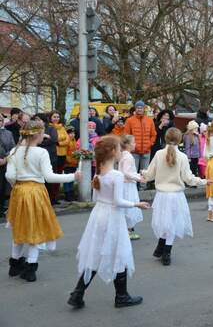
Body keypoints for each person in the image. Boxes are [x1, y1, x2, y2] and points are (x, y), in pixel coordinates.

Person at [67, 136, 149, 309]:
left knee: (96, 253)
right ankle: (121, 296)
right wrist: (136, 204)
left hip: (98, 215)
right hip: (113, 216)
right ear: (113, 152)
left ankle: (78, 292)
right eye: (119, 149)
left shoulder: (99, 174)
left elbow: (97, 197)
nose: (121, 151)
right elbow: (118, 201)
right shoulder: (116, 175)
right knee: (120, 252)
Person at [6, 121, 80, 282]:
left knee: (19, 228)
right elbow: (49, 177)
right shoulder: (41, 153)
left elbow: (9, 176)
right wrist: (72, 176)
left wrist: (18, 186)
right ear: (38, 135)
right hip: (36, 192)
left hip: (18, 192)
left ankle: (14, 265)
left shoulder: (14, 150)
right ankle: (30, 269)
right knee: (35, 229)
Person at [142, 128, 209, 265]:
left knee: (164, 222)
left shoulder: (159, 154)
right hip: (176, 196)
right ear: (180, 140)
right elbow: (188, 178)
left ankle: (161, 248)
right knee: (171, 223)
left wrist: (142, 172)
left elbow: (149, 175)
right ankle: (166, 251)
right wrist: (203, 181)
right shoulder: (182, 157)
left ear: (165, 138)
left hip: (161, 195)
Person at [124, 100, 157, 188]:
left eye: (141, 107)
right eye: (138, 107)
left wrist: (149, 144)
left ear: (144, 109)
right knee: (133, 171)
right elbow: (126, 136)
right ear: (135, 109)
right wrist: (132, 147)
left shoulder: (149, 120)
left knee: (145, 171)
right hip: (134, 151)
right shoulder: (129, 120)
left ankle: (143, 187)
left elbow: (153, 134)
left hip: (146, 150)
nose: (139, 109)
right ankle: (133, 187)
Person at [119, 135, 145, 241]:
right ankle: (128, 230)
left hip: (125, 184)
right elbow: (126, 172)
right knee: (129, 207)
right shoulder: (128, 157)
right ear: (128, 145)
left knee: (127, 207)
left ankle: (127, 229)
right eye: (134, 142)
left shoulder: (123, 155)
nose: (135, 144)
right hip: (128, 185)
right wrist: (139, 178)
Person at [33, 113, 59, 204]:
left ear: (44, 120)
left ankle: (51, 200)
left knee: (50, 179)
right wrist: (44, 137)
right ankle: (41, 200)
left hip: (50, 156)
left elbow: (54, 139)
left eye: (39, 119)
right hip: (37, 158)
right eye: (36, 119)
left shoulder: (51, 128)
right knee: (40, 179)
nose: (37, 121)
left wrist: (40, 141)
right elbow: (31, 141)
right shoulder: (33, 130)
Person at [49, 111, 69, 202]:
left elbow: (67, 140)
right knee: (53, 176)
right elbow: (53, 139)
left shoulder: (62, 128)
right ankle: (51, 197)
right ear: (50, 118)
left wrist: (59, 143)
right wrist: (60, 140)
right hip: (54, 155)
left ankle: (55, 197)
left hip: (62, 154)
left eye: (57, 117)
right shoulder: (49, 128)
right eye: (54, 117)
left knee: (59, 176)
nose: (56, 118)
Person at [0, 114, 15, 216]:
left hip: (4, 163)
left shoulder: (8, 133)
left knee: (2, 187)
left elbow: (12, 148)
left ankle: (1, 209)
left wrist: (5, 159)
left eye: (0, 120)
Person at [63, 127, 78, 201]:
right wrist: (68, 160)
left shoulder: (74, 140)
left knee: (72, 178)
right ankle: (67, 193)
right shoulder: (67, 141)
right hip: (68, 163)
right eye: (70, 133)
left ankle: (71, 192)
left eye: (73, 133)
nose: (72, 135)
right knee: (67, 179)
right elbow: (65, 152)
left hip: (74, 163)